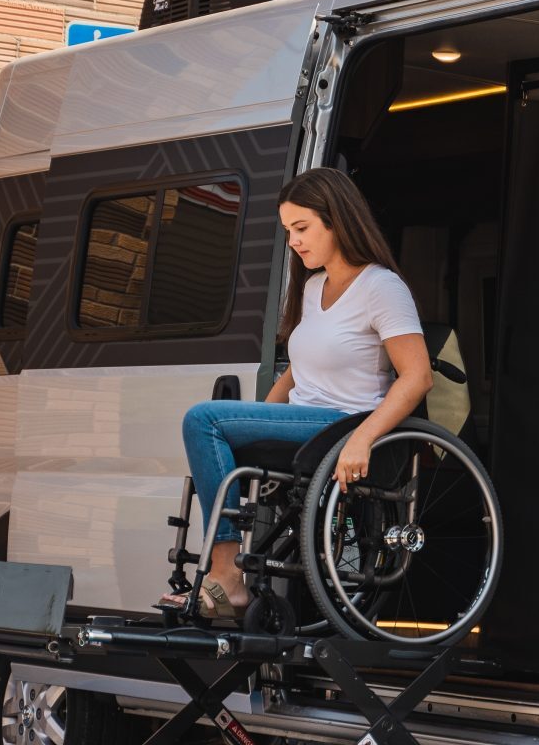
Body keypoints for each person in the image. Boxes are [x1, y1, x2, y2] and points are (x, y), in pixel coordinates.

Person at [161, 167, 433, 617]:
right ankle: (224, 575)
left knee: (202, 418)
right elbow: (298, 371)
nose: (294, 241)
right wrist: (257, 417)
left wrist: (363, 437)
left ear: (337, 221)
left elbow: (418, 377)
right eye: (289, 231)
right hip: (307, 423)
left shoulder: (382, 287)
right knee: (214, 427)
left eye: (301, 228)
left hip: (344, 423)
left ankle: (226, 576)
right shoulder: (312, 287)